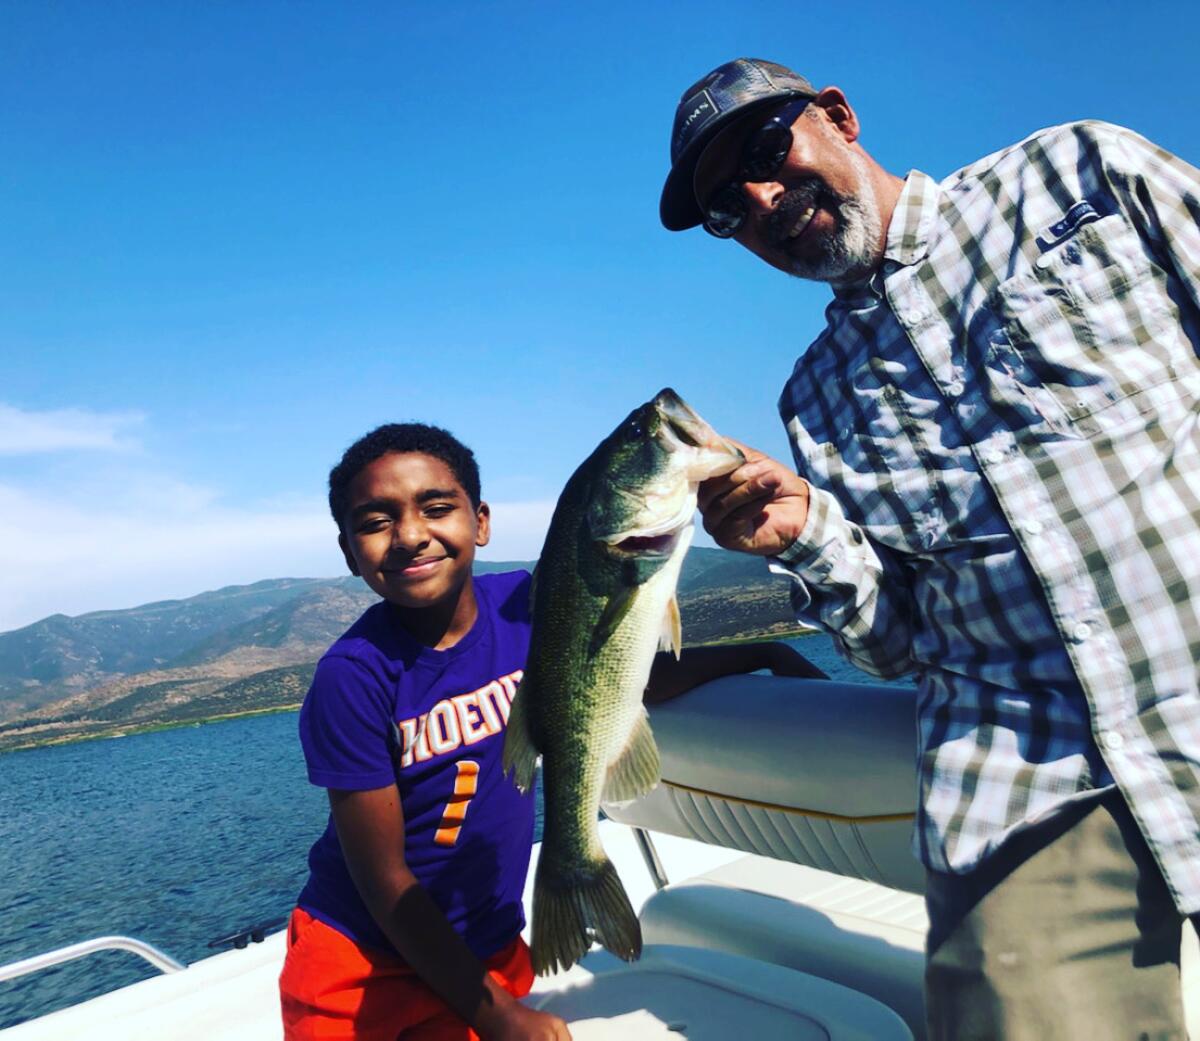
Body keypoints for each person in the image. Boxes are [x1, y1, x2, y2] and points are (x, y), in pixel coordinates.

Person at [659, 57, 1200, 1040]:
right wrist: (809, 535)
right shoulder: (812, 402)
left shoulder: (1083, 173)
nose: (762, 197)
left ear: (837, 114)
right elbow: (899, 646)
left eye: (764, 150)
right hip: (1028, 783)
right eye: (727, 209)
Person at [279, 420, 824, 1041]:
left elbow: (613, 674)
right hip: (363, 971)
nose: (409, 535)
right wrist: (501, 1015)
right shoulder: (352, 678)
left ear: (480, 522)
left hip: (487, 947)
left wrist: (760, 654)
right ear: (350, 552)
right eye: (375, 522)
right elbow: (384, 881)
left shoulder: (527, 607)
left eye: (436, 508)